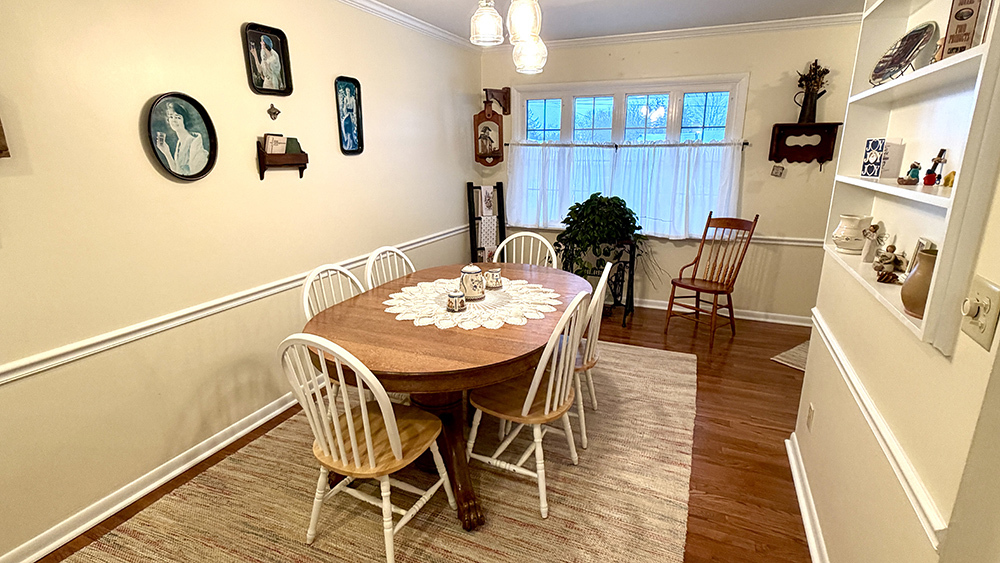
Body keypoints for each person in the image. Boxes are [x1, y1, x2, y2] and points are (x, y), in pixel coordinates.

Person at [154, 102, 208, 176]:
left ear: (185, 120)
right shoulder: (180, 142)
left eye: (178, 117)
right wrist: (166, 152)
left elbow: (193, 173)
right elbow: (177, 172)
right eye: (171, 117)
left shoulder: (194, 143)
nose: (174, 120)